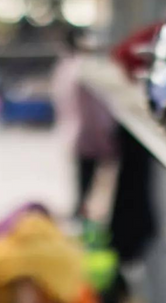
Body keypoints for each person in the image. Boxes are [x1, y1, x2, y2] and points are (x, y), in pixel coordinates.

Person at [51, 28, 118, 217]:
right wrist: (107, 140)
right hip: (88, 137)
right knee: (88, 193)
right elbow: (94, 113)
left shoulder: (65, 67)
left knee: (82, 189)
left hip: (75, 135)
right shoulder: (84, 70)